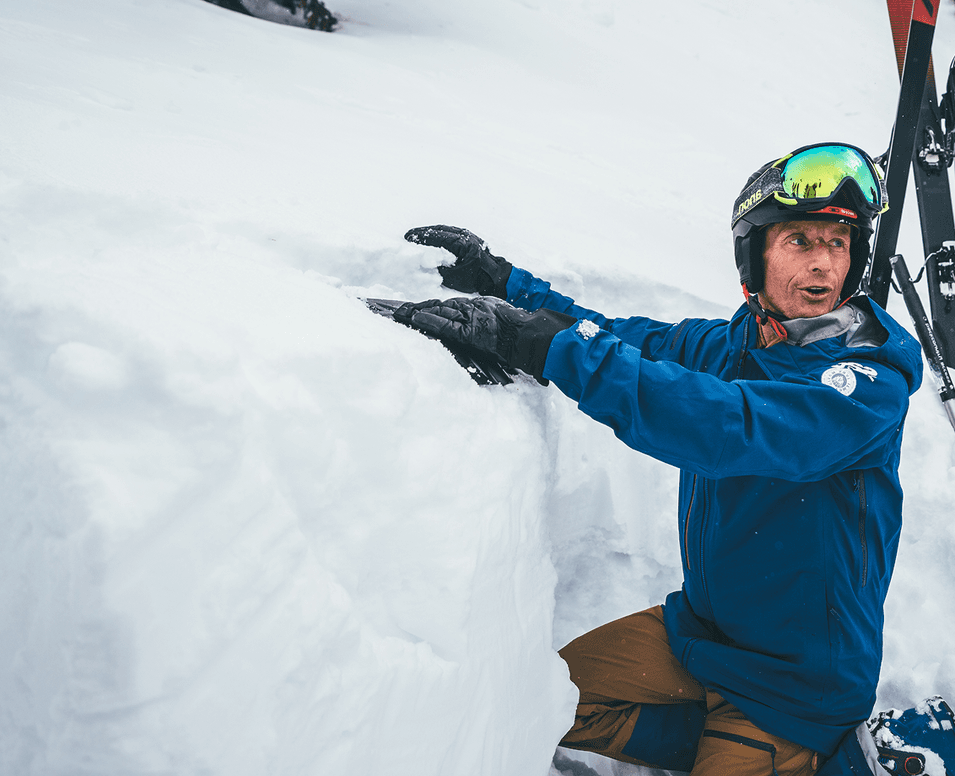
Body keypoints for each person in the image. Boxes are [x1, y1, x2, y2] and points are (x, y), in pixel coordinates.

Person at [395, 143, 925, 775]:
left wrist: (552, 352)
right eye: (800, 241)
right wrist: (508, 288)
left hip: (796, 689)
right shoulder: (730, 344)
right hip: (701, 638)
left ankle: (813, 756)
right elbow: (622, 337)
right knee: (540, 693)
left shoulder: (867, 383)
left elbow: (732, 424)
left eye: (837, 243)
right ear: (755, 256)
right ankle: (716, 741)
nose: (822, 264)